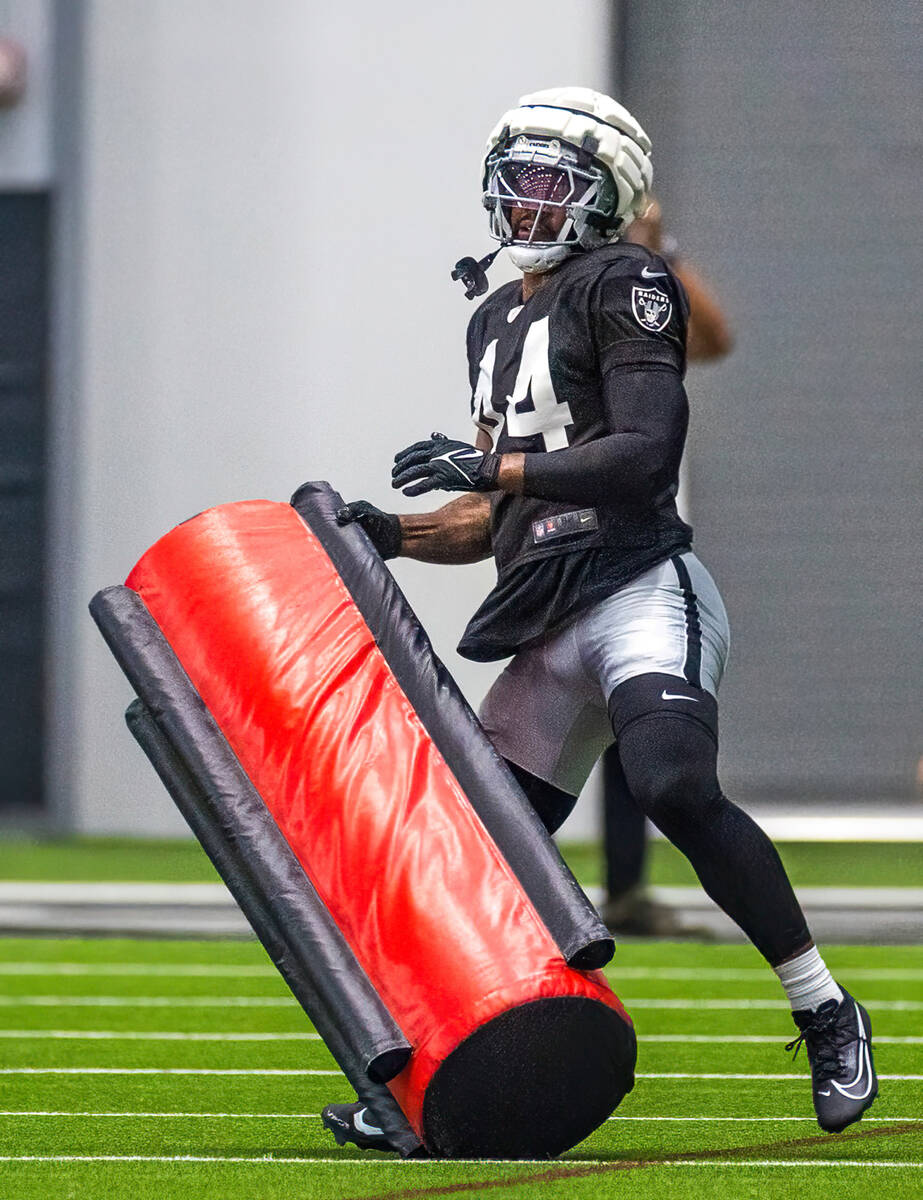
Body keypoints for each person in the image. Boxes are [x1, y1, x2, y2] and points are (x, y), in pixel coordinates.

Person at [324, 86, 877, 1152]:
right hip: (543, 619)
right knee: (472, 862)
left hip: (633, 584)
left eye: (548, 178)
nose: (524, 199)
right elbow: (493, 517)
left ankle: (821, 1009)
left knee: (669, 779)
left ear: (604, 191)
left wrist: (490, 463)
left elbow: (639, 454)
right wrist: (390, 533)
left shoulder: (625, 279)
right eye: (516, 175)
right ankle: (421, 1079)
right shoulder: (492, 316)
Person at [599, 196, 734, 937]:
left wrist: (660, 256)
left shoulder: (645, 290)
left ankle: (624, 888)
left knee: (638, 720)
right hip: (562, 528)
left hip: (641, 534)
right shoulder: (562, 289)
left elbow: (714, 339)